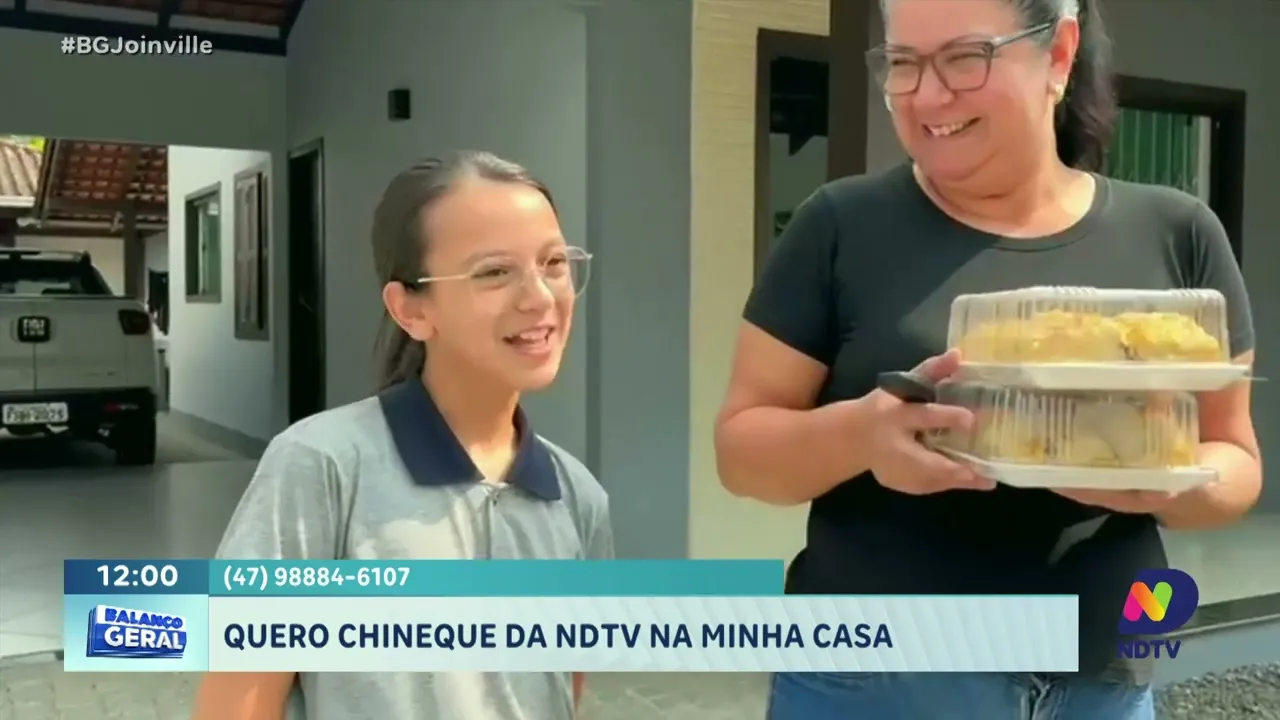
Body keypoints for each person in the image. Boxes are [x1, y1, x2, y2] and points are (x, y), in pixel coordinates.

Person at [715, 0, 1259, 717]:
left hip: (1099, 681)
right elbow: (741, 450)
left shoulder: (1177, 231)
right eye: (903, 64)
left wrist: (1169, 485)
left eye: (966, 58)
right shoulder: (841, 226)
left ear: (1058, 56)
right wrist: (861, 436)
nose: (929, 95)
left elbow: (1235, 458)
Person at [192, 151, 612, 720]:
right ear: (411, 309)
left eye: (554, 262)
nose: (539, 296)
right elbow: (236, 706)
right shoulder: (322, 466)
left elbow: (564, 694)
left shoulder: (578, 498)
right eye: (494, 271)